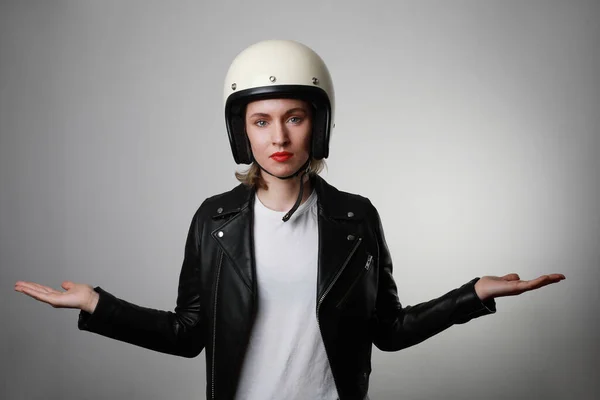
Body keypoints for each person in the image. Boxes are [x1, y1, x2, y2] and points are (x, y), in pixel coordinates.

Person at [14, 39, 565, 400]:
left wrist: (473, 294)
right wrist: (96, 305)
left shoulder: (356, 218)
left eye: (294, 117)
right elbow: (188, 335)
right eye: (261, 121)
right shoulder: (215, 221)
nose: (278, 137)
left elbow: (390, 332)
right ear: (242, 131)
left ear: (317, 124)